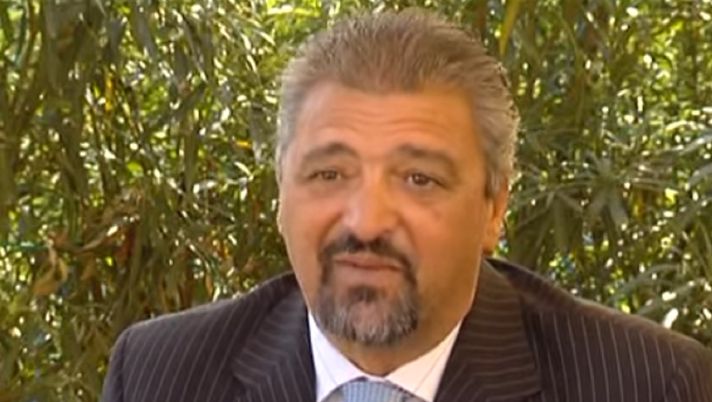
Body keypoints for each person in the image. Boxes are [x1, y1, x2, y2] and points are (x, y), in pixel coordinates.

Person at [101, 9, 712, 402]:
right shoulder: (159, 374)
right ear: (281, 194)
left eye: (419, 179)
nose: (367, 222)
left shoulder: (649, 384)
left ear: (494, 207)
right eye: (329, 173)